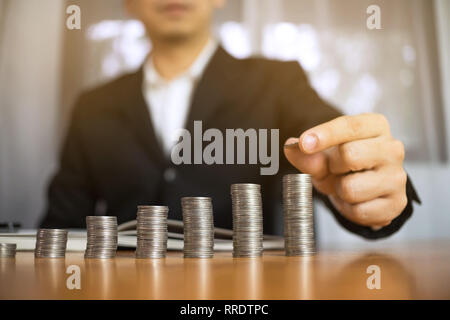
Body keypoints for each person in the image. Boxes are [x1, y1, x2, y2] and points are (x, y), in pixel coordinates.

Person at [40, 0, 420, 238]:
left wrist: (371, 186)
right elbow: (61, 222)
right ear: (127, 3)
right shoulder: (92, 105)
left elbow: (343, 154)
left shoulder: (277, 82)